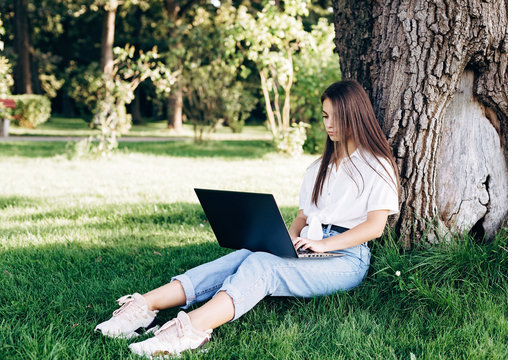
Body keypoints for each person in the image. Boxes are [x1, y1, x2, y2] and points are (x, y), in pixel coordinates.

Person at [94, 79, 400, 358]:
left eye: (335, 116)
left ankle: (191, 331)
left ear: (355, 115)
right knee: (244, 256)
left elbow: (374, 227)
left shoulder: (377, 165)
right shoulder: (318, 167)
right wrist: (287, 239)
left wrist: (323, 245)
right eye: (324, 116)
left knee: (262, 266)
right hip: (309, 244)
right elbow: (303, 216)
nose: (328, 124)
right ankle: (144, 307)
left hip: (346, 258)